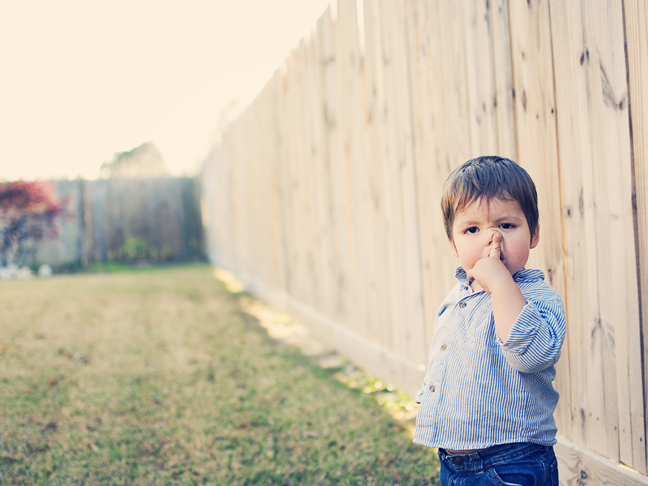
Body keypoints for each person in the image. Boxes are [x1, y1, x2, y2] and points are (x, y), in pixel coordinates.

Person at [413, 156, 565, 485]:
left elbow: (532, 355)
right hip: (454, 461)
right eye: (472, 229)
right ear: (453, 243)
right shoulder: (457, 297)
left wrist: (499, 284)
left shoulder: (537, 297)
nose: (491, 239)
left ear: (534, 233)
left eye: (506, 226)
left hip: (512, 461)